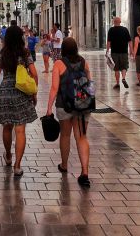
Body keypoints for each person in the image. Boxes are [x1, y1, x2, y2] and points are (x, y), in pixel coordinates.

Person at [0, 25, 38, 178]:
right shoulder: (24, 53)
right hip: (21, 93)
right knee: (20, 130)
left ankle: (9, 156)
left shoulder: (3, 53)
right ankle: (17, 166)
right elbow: (35, 74)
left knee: (6, 127)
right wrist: (34, 93)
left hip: (5, 92)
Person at [46, 37, 92, 188]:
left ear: (64, 49)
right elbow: (89, 84)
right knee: (82, 137)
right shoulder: (84, 62)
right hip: (82, 106)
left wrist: (48, 108)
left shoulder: (59, 64)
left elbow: (54, 88)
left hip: (64, 105)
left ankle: (64, 165)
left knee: (65, 135)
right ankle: (84, 172)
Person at [106, 17, 131, 89]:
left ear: (114, 22)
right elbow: (129, 41)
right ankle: (123, 78)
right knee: (124, 66)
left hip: (114, 52)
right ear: (120, 21)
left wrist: (107, 50)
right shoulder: (125, 29)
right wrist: (132, 51)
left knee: (116, 68)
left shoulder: (111, 30)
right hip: (124, 52)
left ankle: (117, 83)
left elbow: (108, 42)